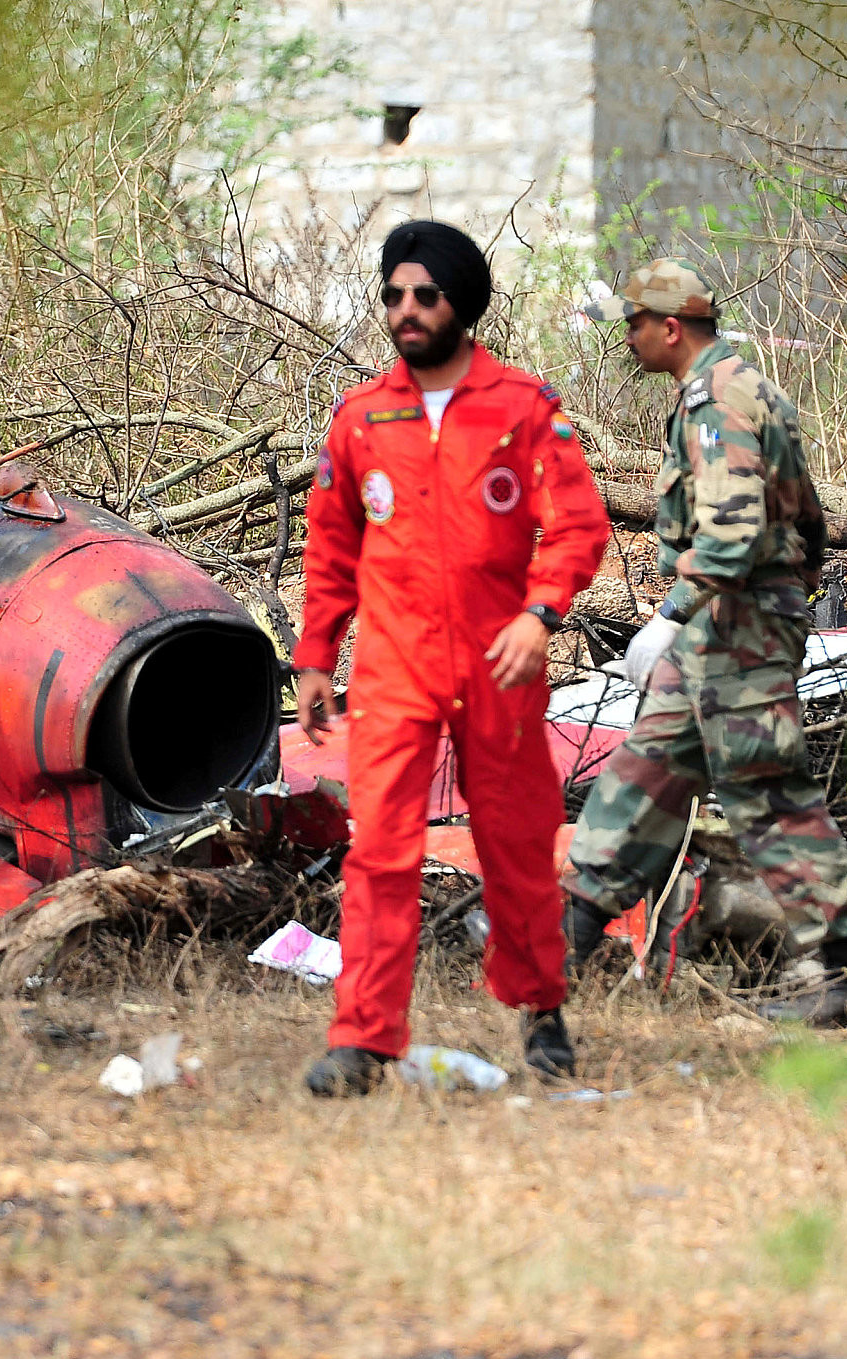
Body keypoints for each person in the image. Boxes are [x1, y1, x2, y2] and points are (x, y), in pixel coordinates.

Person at [294, 220, 611, 1096]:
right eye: (394, 295)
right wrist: (316, 657)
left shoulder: (521, 406)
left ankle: (542, 1013)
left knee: (516, 849)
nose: (406, 310)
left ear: (459, 304)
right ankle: (362, 1039)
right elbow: (331, 549)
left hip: (498, 669)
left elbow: (580, 526)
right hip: (395, 673)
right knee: (380, 853)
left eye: (424, 295)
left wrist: (541, 615)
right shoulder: (361, 418)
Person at [563, 257, 847, 1025]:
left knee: (766, 794)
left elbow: (736, 534)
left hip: (736, 628)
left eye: (634, 325)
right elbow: (805, 521)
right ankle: (562, 944)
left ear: (671, 328)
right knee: (643, 773)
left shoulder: (718, 402)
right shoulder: (736, 390)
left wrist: (671, 613)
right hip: (723, 626)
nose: (628, 340)